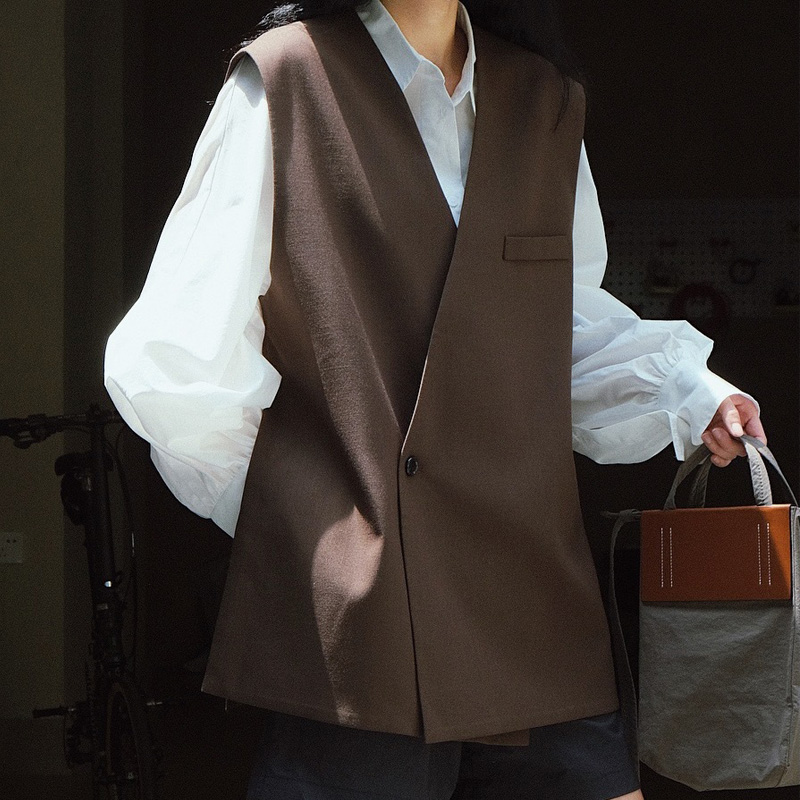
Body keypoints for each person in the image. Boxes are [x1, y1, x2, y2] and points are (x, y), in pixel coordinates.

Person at [104, 1, 766, 797]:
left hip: (527, 592)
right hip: (365, 628)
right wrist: (308, 524)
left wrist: (690, 391)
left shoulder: (544, 99)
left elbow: (560, 323)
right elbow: (179, 354)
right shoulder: (285, 77)